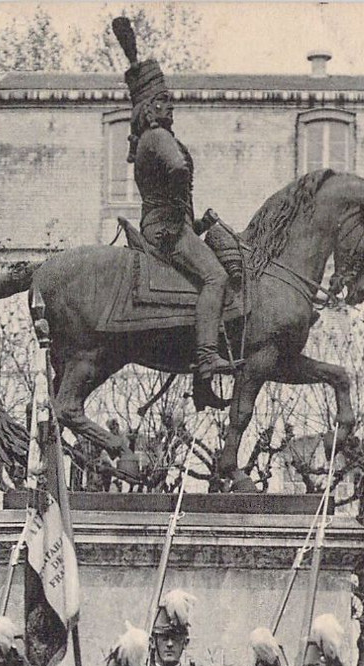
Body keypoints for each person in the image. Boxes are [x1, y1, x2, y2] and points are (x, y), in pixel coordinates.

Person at [112, 15, 233, 412]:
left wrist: (197, 221)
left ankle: (202, 384)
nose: (171, 106)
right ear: (148, 107)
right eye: (163, 101)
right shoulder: (158, 137)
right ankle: (205, 358)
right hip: (167, 232)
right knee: (216, 277)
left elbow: (169, 193)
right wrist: (182, 166)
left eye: (170, 100)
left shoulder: (148, 138)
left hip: (169, 224)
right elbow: (178, 170)